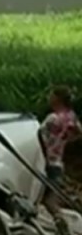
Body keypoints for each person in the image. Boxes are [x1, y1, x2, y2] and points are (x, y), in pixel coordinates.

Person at [39, 85, 81, 224]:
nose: (49, 98)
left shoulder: (52, 118)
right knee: (50, 198)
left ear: (57, 99)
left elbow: (38, 135)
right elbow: (78, 133)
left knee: (49, 201)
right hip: (58, 162)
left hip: (47, 162)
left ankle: (62, 225)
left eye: (51, 96)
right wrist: (63, 141)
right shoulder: (71, 117)